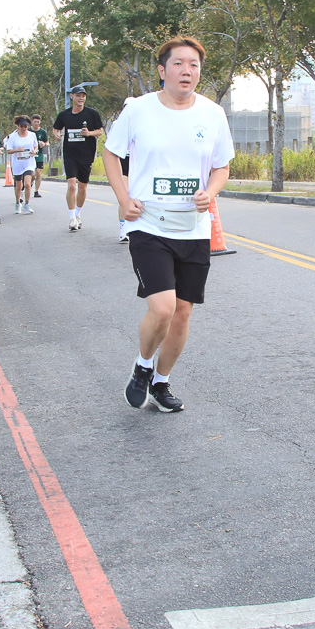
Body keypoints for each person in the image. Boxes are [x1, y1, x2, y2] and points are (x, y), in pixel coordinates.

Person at [104, 38, 233, 413]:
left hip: (193, 227)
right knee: (162, 308)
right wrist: (123, 198)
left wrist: (210, 192)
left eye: (194, 65)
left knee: (183, 313)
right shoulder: (138, 110)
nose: (186, 71)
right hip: (149, 224)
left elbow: (222, 167)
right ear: (162, 70)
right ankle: (143, 366)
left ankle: (161, 383)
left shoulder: (212, 114)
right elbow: (111, 154)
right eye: (178, 64)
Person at [51, 85, 104, 232]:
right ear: (71, 96)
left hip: (86, 154)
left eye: (83, 96)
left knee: (82, 187)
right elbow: (56, 127)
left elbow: (100, 131)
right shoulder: (64, 115)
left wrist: (89, 133)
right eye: (78, 95)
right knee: (72, 185)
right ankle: (72, 218)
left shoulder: (92, 114)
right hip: (70, 154)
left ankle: (77, 213)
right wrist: (56, 134)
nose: (81, 98)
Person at [4, 115, 39, 214]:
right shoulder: (13, 137)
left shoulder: (32, 135)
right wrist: (17, 150)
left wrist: (34, 151)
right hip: (18, 164)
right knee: (18, 186)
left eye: (26, 126)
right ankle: (17, 202)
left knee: (27, 184)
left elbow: (35, 146)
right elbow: (9, 150)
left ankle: (27, 204)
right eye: (22, 126)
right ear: (18, 126)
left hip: (29, 162)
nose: (24, 128)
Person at [30, 114, 49, 198]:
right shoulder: (28, 131)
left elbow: (48, 143)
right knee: (32, 174)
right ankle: (29, 183)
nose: (36, 123)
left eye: (38, 122)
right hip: (30, 155)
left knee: (38, 172)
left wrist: (44, 144)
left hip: (39, 154)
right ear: (32, 122)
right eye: (35, 122)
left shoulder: (43, 132)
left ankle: (36, 190)